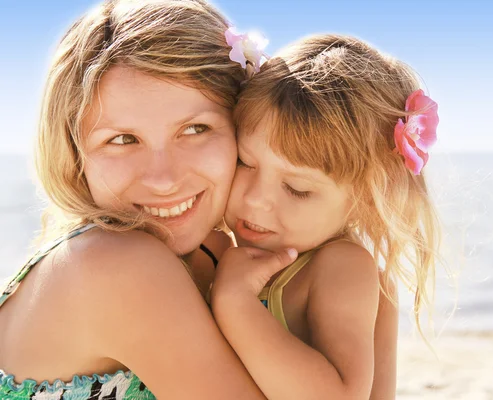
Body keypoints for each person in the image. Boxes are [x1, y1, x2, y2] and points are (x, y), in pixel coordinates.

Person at [0, 1, 295, 399]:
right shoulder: (117, 264)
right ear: (73, 153)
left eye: (195, 128)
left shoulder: (214, 254)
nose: (164, 180)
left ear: (244, 131)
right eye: (122, 139)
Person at [210, 34, 441, 400]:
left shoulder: (343, 265)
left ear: (364, 199)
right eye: (244, 162)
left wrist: (236, 303)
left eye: (297, 188)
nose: (255, 199)